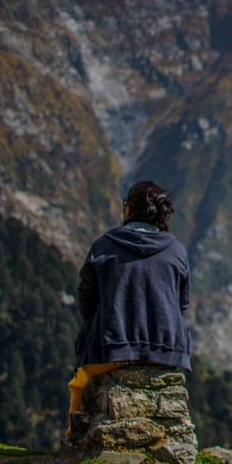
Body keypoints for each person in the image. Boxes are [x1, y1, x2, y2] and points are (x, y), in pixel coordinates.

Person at [66, 180, 192, 434]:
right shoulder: (177, 251)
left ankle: (75, 438)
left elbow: (86, 299)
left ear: (128, 210)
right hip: (167, 350)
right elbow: (182, 305)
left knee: (79, 386)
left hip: (110, 347)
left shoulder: (103, 246)